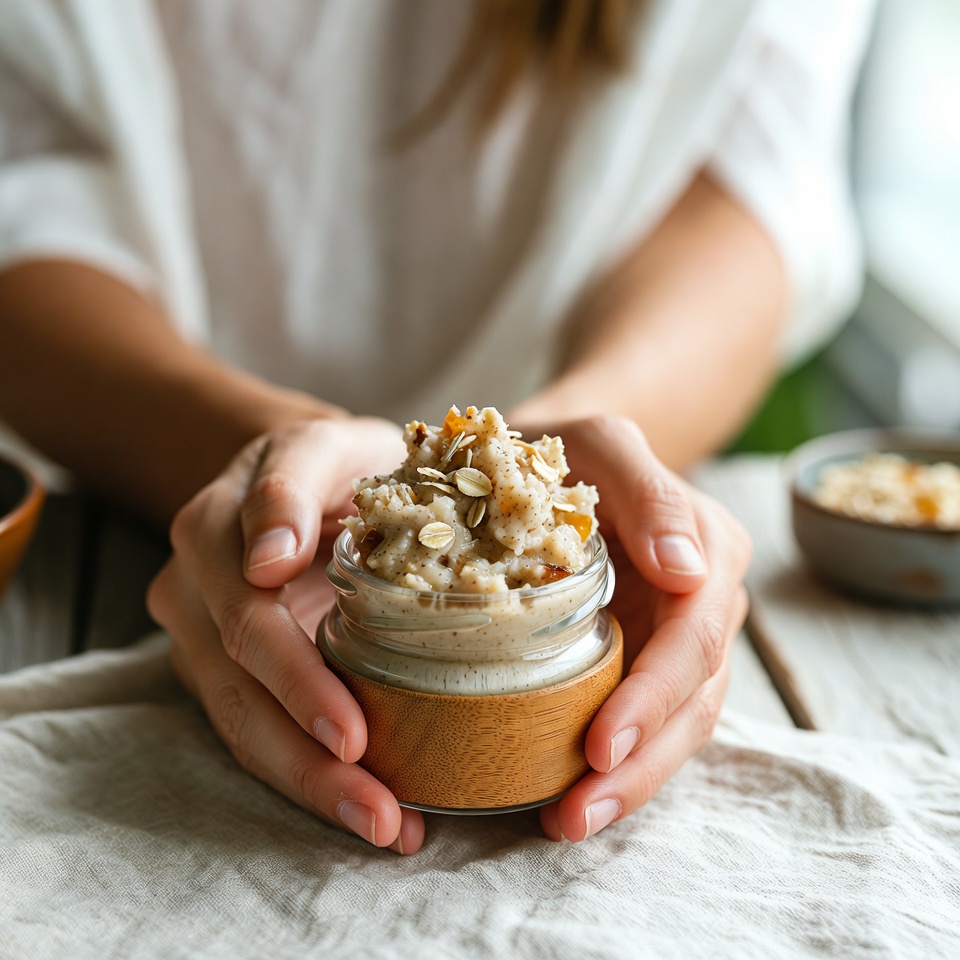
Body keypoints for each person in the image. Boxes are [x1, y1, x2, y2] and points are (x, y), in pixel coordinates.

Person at [0, 0, 874, 854]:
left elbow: (741, 178)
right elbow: (29, 180)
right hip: (153, 460)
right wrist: (259, 465)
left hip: (566, 475)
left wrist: (594, 447)